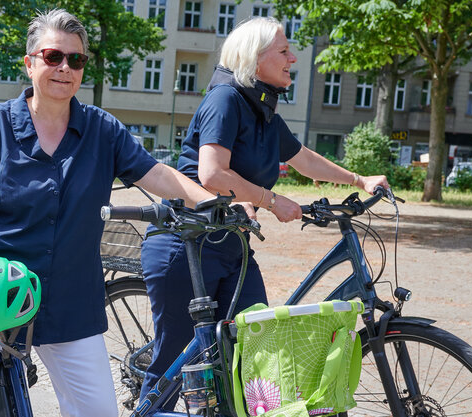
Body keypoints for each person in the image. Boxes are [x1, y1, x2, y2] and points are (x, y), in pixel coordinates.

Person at [0, 9, 215, 417]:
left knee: (98, 411)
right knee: (1, 410)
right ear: (30, 62)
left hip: (71, 302)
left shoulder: (103, 131)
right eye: (53, 57)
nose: (65, 68)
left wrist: (209, 202)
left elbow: (156, 174)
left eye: (76, 59)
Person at [139, 17, 390, 406]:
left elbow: (303, 158)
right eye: (284, 50)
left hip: (232, 246)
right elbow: (211, 172)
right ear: (255, 59)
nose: (293, 57)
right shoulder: (225, 100)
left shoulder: (261, 108)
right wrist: (270, 201)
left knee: (251, 351)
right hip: (185, 246)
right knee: (175, 361)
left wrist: (359, 179)